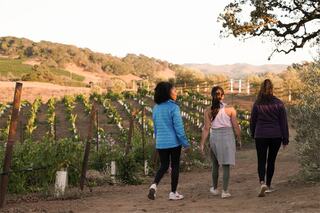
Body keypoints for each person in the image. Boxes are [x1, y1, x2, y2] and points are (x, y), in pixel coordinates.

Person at [148, 82, 190, 201]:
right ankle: (173, 192)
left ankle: (154, 185)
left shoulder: (156, 108)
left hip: (161, 142)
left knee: (164, 165)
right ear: (168, 93)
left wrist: (158, 140)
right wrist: (185, 143)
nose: (176, 93)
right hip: (174, 143)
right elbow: (179, 128)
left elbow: (155, 127)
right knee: (175, 166)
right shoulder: (174, 107)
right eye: (174, 91)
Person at [250, 79, 289, 197]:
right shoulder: (279, 103)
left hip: (260, 134)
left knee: (261, 160)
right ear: (272, 88)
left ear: (261, 88)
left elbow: (253, 121)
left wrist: (253, 134)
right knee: (271, 161)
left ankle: (262, 182)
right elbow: (283, 122)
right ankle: (268, 184)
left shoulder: (257, 103)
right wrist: (285, 139)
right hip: (275, 135)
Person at [200, 86, 241, 199]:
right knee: (226, 165)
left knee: (215, 164)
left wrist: (202, 143)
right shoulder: (230, 109)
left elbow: (206, 128)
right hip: (227, 137)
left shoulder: (208, 111)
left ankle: (214, 188)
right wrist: (239, 138)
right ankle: (225, 191)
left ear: (211, 96)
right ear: (222, 96)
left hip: (214, 137)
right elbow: (236, 126)